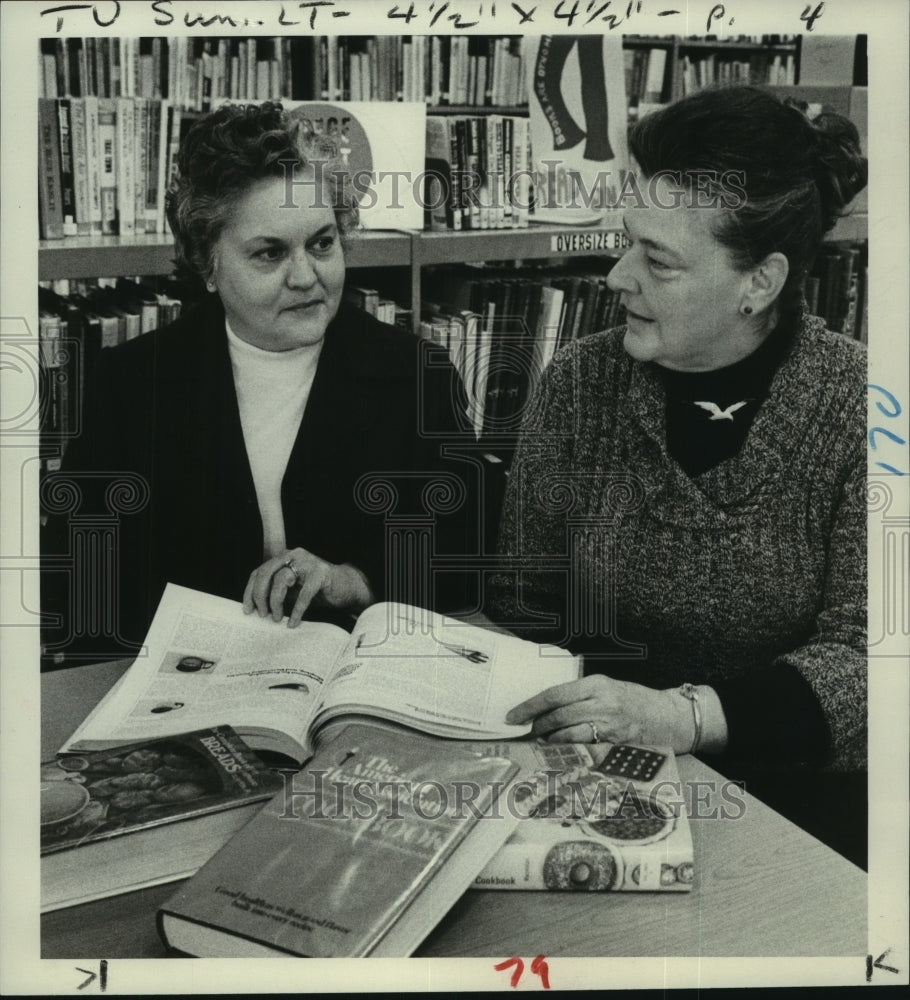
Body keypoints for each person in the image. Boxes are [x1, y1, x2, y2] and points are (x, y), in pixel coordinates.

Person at [491, 86, 868, 865]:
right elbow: (522, 602)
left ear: (758, 283)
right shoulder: (578, 382)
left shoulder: (867, 407)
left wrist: (678, 718)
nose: (616, 277)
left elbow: (867, 664)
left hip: (801, 818)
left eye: (657, 260)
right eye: (627, 242)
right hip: (596, 785)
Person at [41, 102, 476, 664]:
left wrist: (354, 580)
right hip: (181, 685)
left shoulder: (419, 375)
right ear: (207, 262)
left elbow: (463, 562)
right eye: (270, 253)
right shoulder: (129, 383)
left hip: (354, 681)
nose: (306, 277)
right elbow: (79, 583)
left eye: (322, 243)